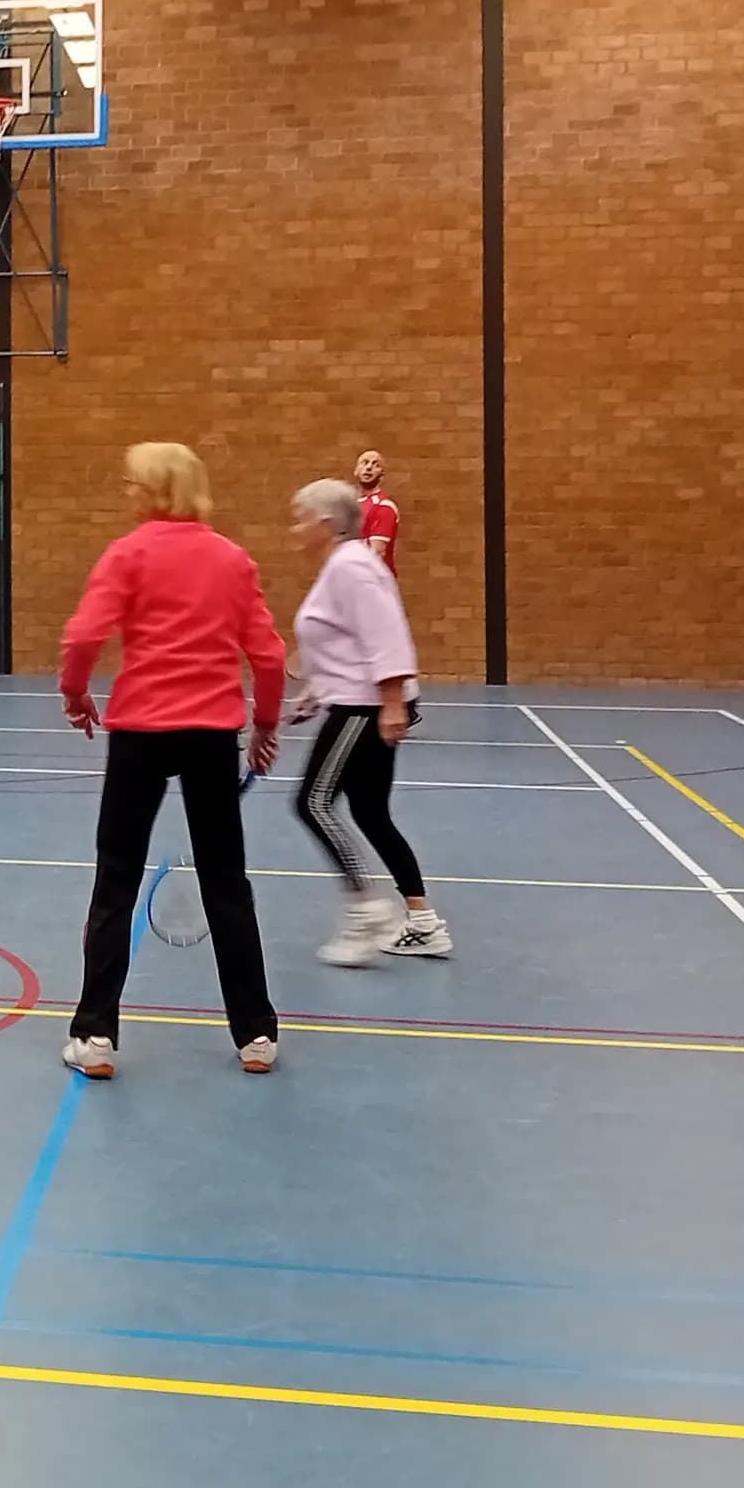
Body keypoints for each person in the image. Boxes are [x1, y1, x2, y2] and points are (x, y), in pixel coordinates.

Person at [60, 442, 285, 1079]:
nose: (127, 492)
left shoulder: (127, 553)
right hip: (212, 737)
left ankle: (95, 1036)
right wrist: (266, 723)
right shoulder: (232, 559)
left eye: (133, 483)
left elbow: (83, 635)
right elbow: (268, 655)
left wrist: (75, 693)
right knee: (227, 883)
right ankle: (256, 1034)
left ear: (156, 490)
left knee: (116, 882)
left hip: (141, 735)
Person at [289, 478, 451, 964]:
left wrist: (392, 703)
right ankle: (423, 922)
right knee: (370, 812)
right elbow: (348, 645)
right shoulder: (345, 565)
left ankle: (365, 908)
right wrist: (315, 693)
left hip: (364, 707)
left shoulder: (351, 567)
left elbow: (385, 634)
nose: (294, 529)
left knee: (313, 803)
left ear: (325, 523)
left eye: (300, 519)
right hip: (358, 700)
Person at [354, 448, 400, 571]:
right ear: (356, 471)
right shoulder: (351, 505)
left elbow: (376, 554)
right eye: (365, 462)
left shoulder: (384, 506)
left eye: (376, 465)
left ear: (382, 475)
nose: (369, 467)